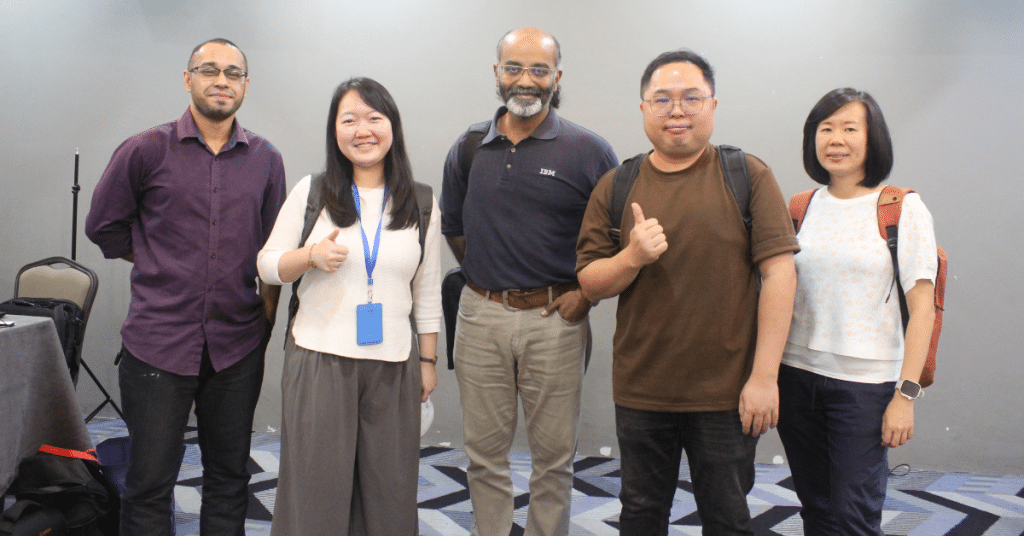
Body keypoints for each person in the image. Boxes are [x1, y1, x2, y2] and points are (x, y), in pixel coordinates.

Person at [575, 49, 799, 536]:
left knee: (727, 517)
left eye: (690, 97)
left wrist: (764, 378)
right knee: (640, 514)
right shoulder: (618, 184)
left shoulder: (747, 176)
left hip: (726, 392)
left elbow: (781, 276)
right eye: (662, 99)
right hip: (642, 388)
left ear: (713, 106)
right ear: (643, 110)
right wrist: (631, 256)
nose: (676, 110)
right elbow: (589, 282)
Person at [85, 38, 286, 536]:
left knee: (230, 476)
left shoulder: (266, 159)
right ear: (188, 78)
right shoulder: (144, 149)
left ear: (245, 84)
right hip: (157, 344)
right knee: (150, 481)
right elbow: (104, 227)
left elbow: (274, 250)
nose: (222, 80)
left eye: (234, 73)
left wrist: (263, 322)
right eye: (210, 70)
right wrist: (155, 253)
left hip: (236, 346)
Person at [440, 27, 617, 536]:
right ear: (497, 74)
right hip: (479, 317)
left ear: (556, 77)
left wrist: (583, 295)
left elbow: (616, 237)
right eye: (514, 68)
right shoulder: (470, 146)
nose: (526, 80)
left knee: (553, 461)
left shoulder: (587, 150)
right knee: (484, 456)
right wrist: (494, 281)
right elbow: (455, 227)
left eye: (539, 70)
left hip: (554, 321)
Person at [257, 77, 441, 535]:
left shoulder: (420, 201)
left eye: (374, 118)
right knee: (316, 492)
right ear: (334, 131)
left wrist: (428, 360)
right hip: (320, 360)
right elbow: (266, 265)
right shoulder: (312, 192)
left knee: (390, 493)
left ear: (392, 127)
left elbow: (428, 290)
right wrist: (309, 257)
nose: (363, 129)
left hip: (394, 364)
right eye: (349, 119)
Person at [776, 88, 937, 536]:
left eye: (850, 128)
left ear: (873, 139)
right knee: (816, 507)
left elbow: (923, 309)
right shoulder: (800, 207)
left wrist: (904, 397)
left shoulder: (902, 207)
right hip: (796, 377)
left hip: (865, 389)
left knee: (855, 515)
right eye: (825, 129)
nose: (835, 139)